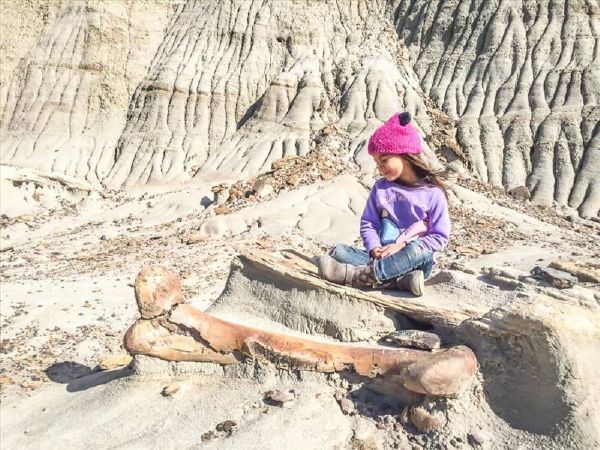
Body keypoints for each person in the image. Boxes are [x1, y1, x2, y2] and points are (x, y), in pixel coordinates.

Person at [319, 112, 450, 296]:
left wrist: (401, 247)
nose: (380, 168)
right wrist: (374, 249)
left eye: (384, 160)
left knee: (420, 250)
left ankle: (361, 277)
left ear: (404, 155)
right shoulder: (380, 189)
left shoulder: (432, 194)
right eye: (376, 162)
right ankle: (399, 282)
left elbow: (439, 237)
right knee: (338, 251)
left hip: (414, 258)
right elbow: (369, 223)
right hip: (381, 257)